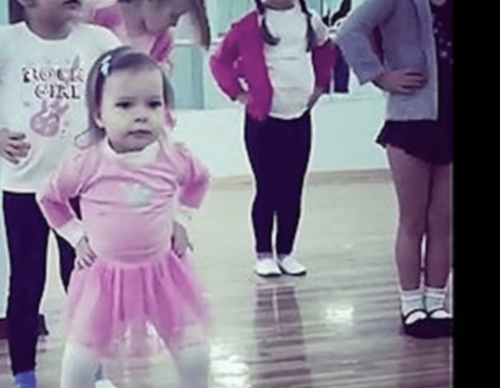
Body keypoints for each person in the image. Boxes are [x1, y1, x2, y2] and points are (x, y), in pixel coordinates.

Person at [0, 1, 123, 386]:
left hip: (82, 190)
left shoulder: (100, 41)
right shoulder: (1, 42)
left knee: (85, 284)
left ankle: (94, 372)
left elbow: (130, 85)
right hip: (25, 191)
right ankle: (25, 378)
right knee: (26, 284)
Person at [36, 46, 213, 388]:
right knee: (80, 358)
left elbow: (200, 180)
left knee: (194, 351)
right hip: (104, 278)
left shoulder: (172, 156)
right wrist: (75, 235)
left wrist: (183, 220)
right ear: (99, 114)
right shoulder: (86, 162)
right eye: (125, 105)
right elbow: (48, 197)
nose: (141, 114)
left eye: (153, 104)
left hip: (164, 273)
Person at [335, 0, 452, 339]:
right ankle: (411, 304)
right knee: (413, 218)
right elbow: (348, 30)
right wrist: (379, 75)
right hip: (410, 120)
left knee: (443, 220)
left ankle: (436, 302)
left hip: (450, 120)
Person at [208, 0, 336, 277]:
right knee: (268, 188)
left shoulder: (310, 21)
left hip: (299, 118)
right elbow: (219, 61)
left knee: (293, 189)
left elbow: (326, 52)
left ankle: (287, 251)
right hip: (263, 121)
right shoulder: (248, 24)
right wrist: (239, 93)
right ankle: (264, 252)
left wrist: (320, 85)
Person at [81, 0, 211, 74]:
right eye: (173, 15)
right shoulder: (104, 18)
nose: (174, 24)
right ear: (153, 3)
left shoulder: (163, 42)